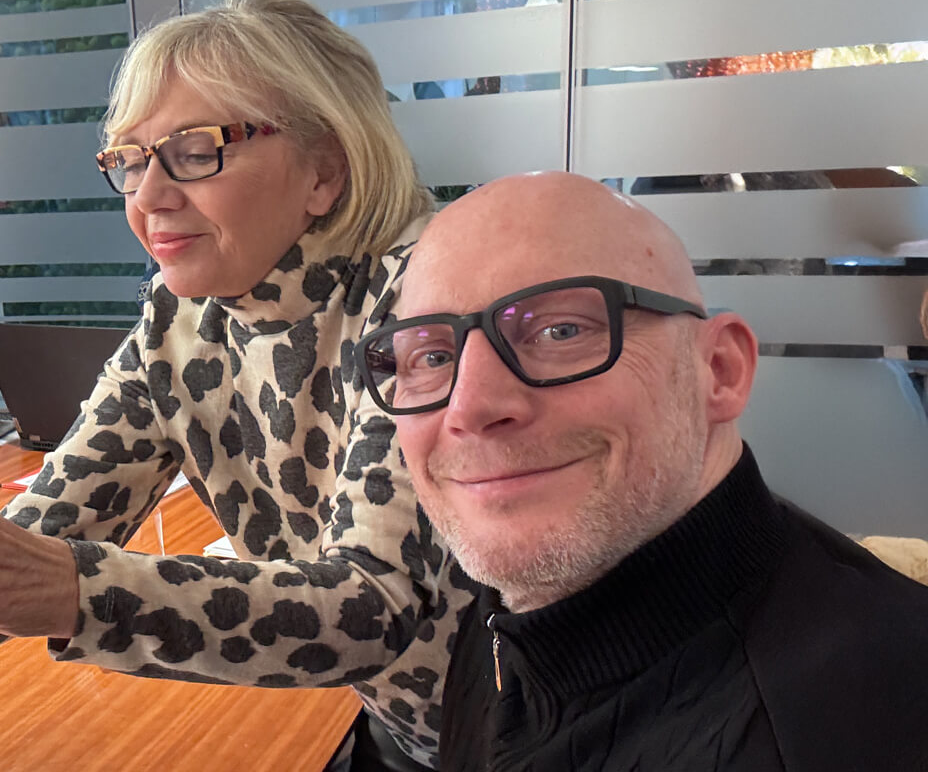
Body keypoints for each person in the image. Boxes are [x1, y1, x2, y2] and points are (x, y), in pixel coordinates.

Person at [0, 0, 469, 771]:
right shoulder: (183, 318)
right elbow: (44, 537)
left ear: (324, 169)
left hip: (519, 731)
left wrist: (75, 590)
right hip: (400, 729)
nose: (148, 197)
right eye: (130, 160)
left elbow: (368, 610)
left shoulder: (428, 299)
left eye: (196, 151)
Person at [354, 171, 928, 771]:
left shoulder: (870, 730)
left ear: (719, 370)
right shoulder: (514, 611)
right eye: (433, 356)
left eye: (559, 330)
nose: (468, 407)